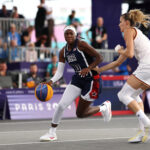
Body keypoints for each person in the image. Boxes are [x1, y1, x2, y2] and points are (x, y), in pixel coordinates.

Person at [39, 25, 112, 141]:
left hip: (92, 80)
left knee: (80, 114)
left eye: (70, 33)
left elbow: (99, 57)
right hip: (78, 79)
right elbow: (59, 72)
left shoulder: (82, 44)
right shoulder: (63, 51)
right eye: (66, 34)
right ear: (63, 36)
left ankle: (103, 107)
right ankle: (52, 133)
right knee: (61, 105)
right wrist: (50, 82)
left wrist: (88, 68)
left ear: (75, 34)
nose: (68, 36)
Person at [93, 9, 150, 143]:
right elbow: (118, 62)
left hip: (147, 66)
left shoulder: (129, 31)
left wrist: (119, 50)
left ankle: (146, 121)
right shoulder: (135, 33)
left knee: (122, 95)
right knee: (135, 96)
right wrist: (99, 70)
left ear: (127, 23)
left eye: (120, 22)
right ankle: (142, 132)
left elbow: (129, 54)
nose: (119, 25)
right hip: (148, 67)